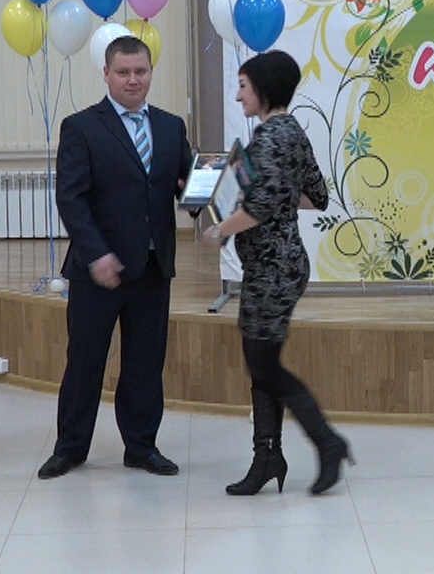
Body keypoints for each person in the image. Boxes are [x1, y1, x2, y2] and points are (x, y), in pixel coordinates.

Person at [38, 36, 194, 479]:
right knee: (85, 362)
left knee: (145, 363)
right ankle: (70, 448)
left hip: (153, 267)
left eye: (140, 71)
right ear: (106, 74)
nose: (132, 80)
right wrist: (97, 254)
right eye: (123, 72)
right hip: (97, 271)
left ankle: (141, 446)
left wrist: (205, 198)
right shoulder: (82, 127)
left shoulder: (171, 127)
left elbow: (185, 185)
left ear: (151, 72)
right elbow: (71, 199)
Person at [201, 50, 351, 495]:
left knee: (263, 363)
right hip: (282, 264)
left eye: (243, 87)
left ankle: (326, 442)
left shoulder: (268, 138)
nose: (238, 96)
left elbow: (261, 206)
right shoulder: (293, 132)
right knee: (261, 362)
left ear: (263, 89)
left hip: (272, 266)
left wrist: (220, 229)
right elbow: (316, 196)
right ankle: (267, 457)